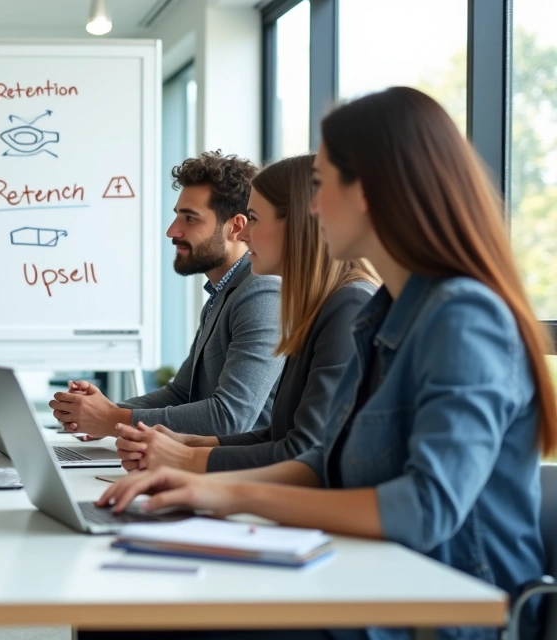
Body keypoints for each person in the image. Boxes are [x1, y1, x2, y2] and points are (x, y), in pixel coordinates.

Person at [90, 87, 556, 640]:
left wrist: (226, 489)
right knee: (125, 607)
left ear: (371, 193)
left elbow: (424, 509)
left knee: (134, 621)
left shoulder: (463, 319)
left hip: (441, 610)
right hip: (369, 576)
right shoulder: (381, 317)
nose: (313, 208)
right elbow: (322, 462)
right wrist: (197, 486)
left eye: (323, 185)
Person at [114, 155, 377, 473]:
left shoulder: (348, 306)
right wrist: (190, 444)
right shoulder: (317, 305)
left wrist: (186, 459)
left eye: (254, 218)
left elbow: (305, 453)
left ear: (296, 224)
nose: (242, 234)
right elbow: (281, 435)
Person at [51, 151, 284, 438]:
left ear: (235, 227)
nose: (172, 231)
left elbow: (229, 418)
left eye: (190, 219)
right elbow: (181, 393)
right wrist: (100, 411)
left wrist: (111, 418)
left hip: (237, 474)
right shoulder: (223, 292)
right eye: (177, 216)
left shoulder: (262, 293)